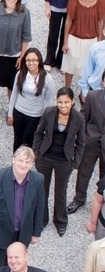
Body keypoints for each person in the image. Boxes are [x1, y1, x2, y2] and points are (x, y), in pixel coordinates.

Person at [0, 146, 45, 268]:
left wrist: (36, 232)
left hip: (22, 235)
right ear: (13, 160)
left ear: (32, 164)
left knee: (16, 268)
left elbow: (39, 207)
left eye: (27, 162)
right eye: (21, 160)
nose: (23, 165)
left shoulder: (38, 180)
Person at [32, 86, 85, 237]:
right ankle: (41, 220)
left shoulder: (78, 118)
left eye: (66, 102)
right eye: (60, 102)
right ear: (56, 101)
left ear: (73, 102)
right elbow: (38, 133)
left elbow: (81, 142)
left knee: (60, 192)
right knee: (42, 190)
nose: (63, 105)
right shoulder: (49, 112)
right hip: (45, 158)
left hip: (64, 161)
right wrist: (36, 153)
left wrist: (75, 162)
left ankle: (60, 221)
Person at [7, 48, 56, 151]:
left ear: (39, 61)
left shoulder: (48, 79)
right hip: (19, 112)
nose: (31, 63)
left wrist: (43, 121)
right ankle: (15, 161)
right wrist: (10, 114)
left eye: (34, 60)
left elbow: (48, 102)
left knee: (27, 142)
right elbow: (14, 94)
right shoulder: (21, 74)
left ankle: (25, 163)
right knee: (17, 139)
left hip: (35, 116)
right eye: (28, 60)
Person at [70, 70, 105, 216]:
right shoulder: (92, 96)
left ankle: (102, 200)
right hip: (91, 142)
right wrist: (83, 137)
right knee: (84, 172)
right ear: (103, 81)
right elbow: (82, 118)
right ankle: (79, 199)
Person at [61, 0, 105, 88]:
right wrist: (65, 42)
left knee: (88, 70)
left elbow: (101, 22)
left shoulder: (101, 0)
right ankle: (67, 90)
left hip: (91, 40)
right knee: (69, 67)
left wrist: (99, 42)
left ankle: (84, 93)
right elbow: (68, 21)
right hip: (74, 38)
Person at [44, 0, 85, 71]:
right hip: (56, 7)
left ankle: (61, 61)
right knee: (53, 34)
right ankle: (49, 60)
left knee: (65, 35)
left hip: (71, 9)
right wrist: (47, 6)